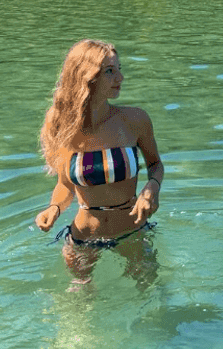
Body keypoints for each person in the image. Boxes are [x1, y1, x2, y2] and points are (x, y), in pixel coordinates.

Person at [34, 39, 163, 284]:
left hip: (132, 232)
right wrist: (54, 208)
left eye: (119, 69)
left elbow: (155, 164)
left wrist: (151, 188)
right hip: (83, 238)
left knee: (151, 297)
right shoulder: (61, 123)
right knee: (79, 311)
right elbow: (65, 184)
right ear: (87, 76)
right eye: (109, 71)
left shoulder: (134, 119)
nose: (120, 78)